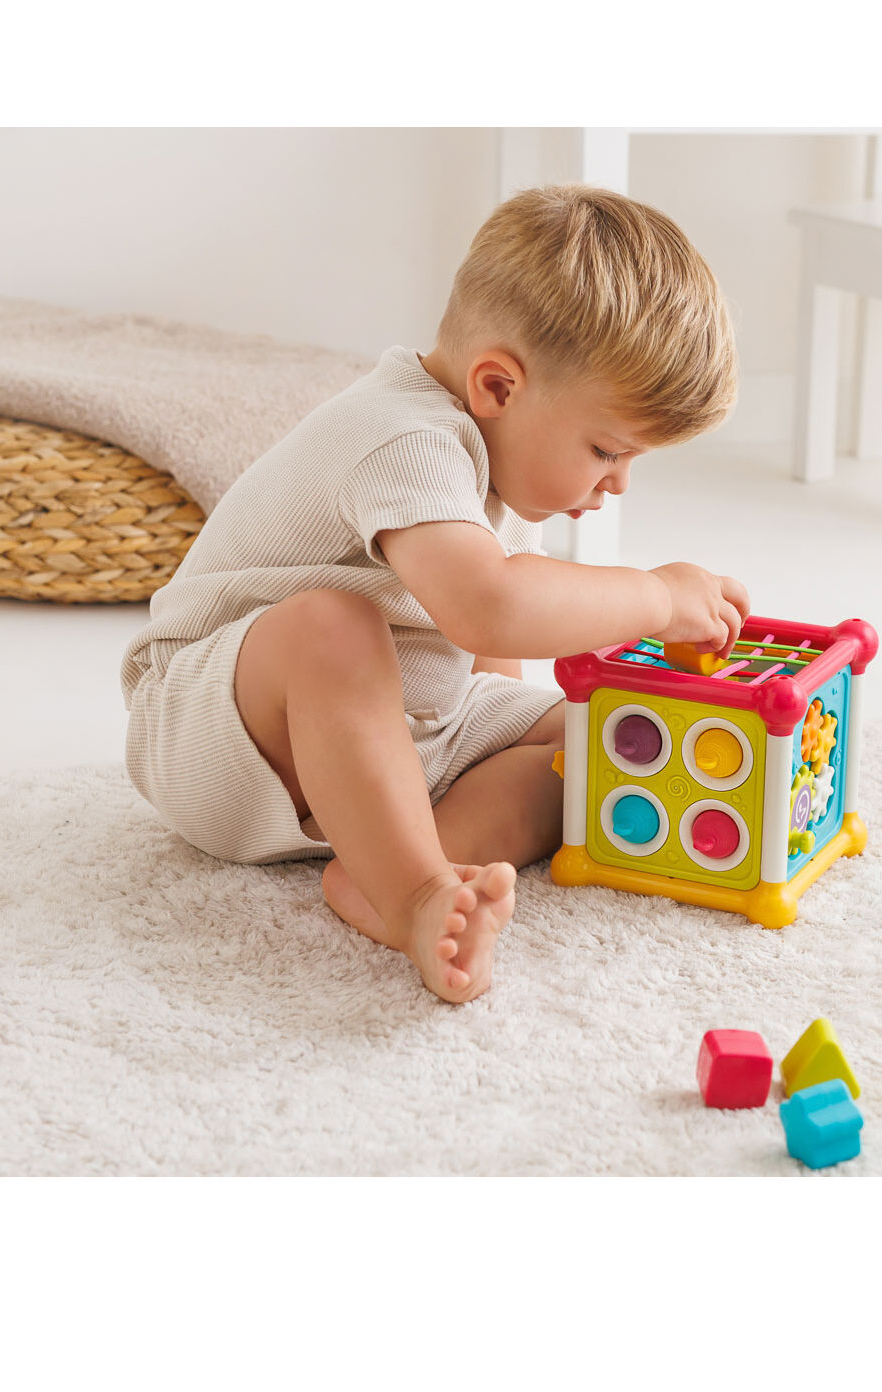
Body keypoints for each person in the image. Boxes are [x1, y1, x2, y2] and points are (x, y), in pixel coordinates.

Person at [120, 183, 749, 1004]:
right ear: (498, 387)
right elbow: (488, 608)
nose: (618, 483)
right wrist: (657, 598)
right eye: (605, 450)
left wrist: (528, 733)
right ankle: (414, 893)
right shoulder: (403, 436)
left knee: (599, 738)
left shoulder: (499, 460)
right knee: (332, 627)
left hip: (395, 734)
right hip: (214, 733)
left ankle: (400, 867)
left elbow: (489, 655)